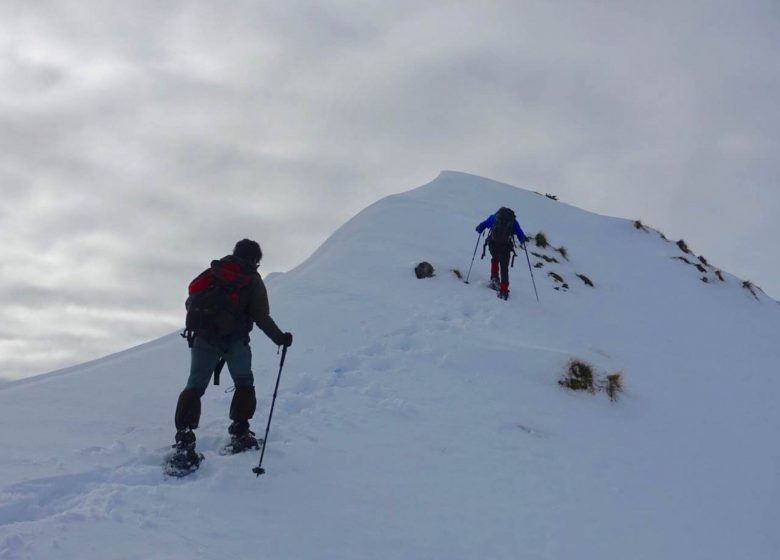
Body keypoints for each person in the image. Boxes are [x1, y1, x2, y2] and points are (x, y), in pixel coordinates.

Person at [172, 239, 293, 464]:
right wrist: (280, 338)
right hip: (234, 341)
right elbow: (261, 316)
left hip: (203, 339)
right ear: (256, 260)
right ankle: (240, 432)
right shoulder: (251, 279)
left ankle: (184, 440)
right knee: (244, 382)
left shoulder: (215, 271)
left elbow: (191, 302)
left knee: (195, 386)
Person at [475, 207, 527, 300]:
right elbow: (520, 235)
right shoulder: (513, 221)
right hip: (505, 247)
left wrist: (479, 229)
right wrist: (523, 239)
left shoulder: (494, 217)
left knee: (495, 258)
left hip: (493, 245)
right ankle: (503, 290)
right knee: (504, 267)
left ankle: (494, 278)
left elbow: (482, 226)